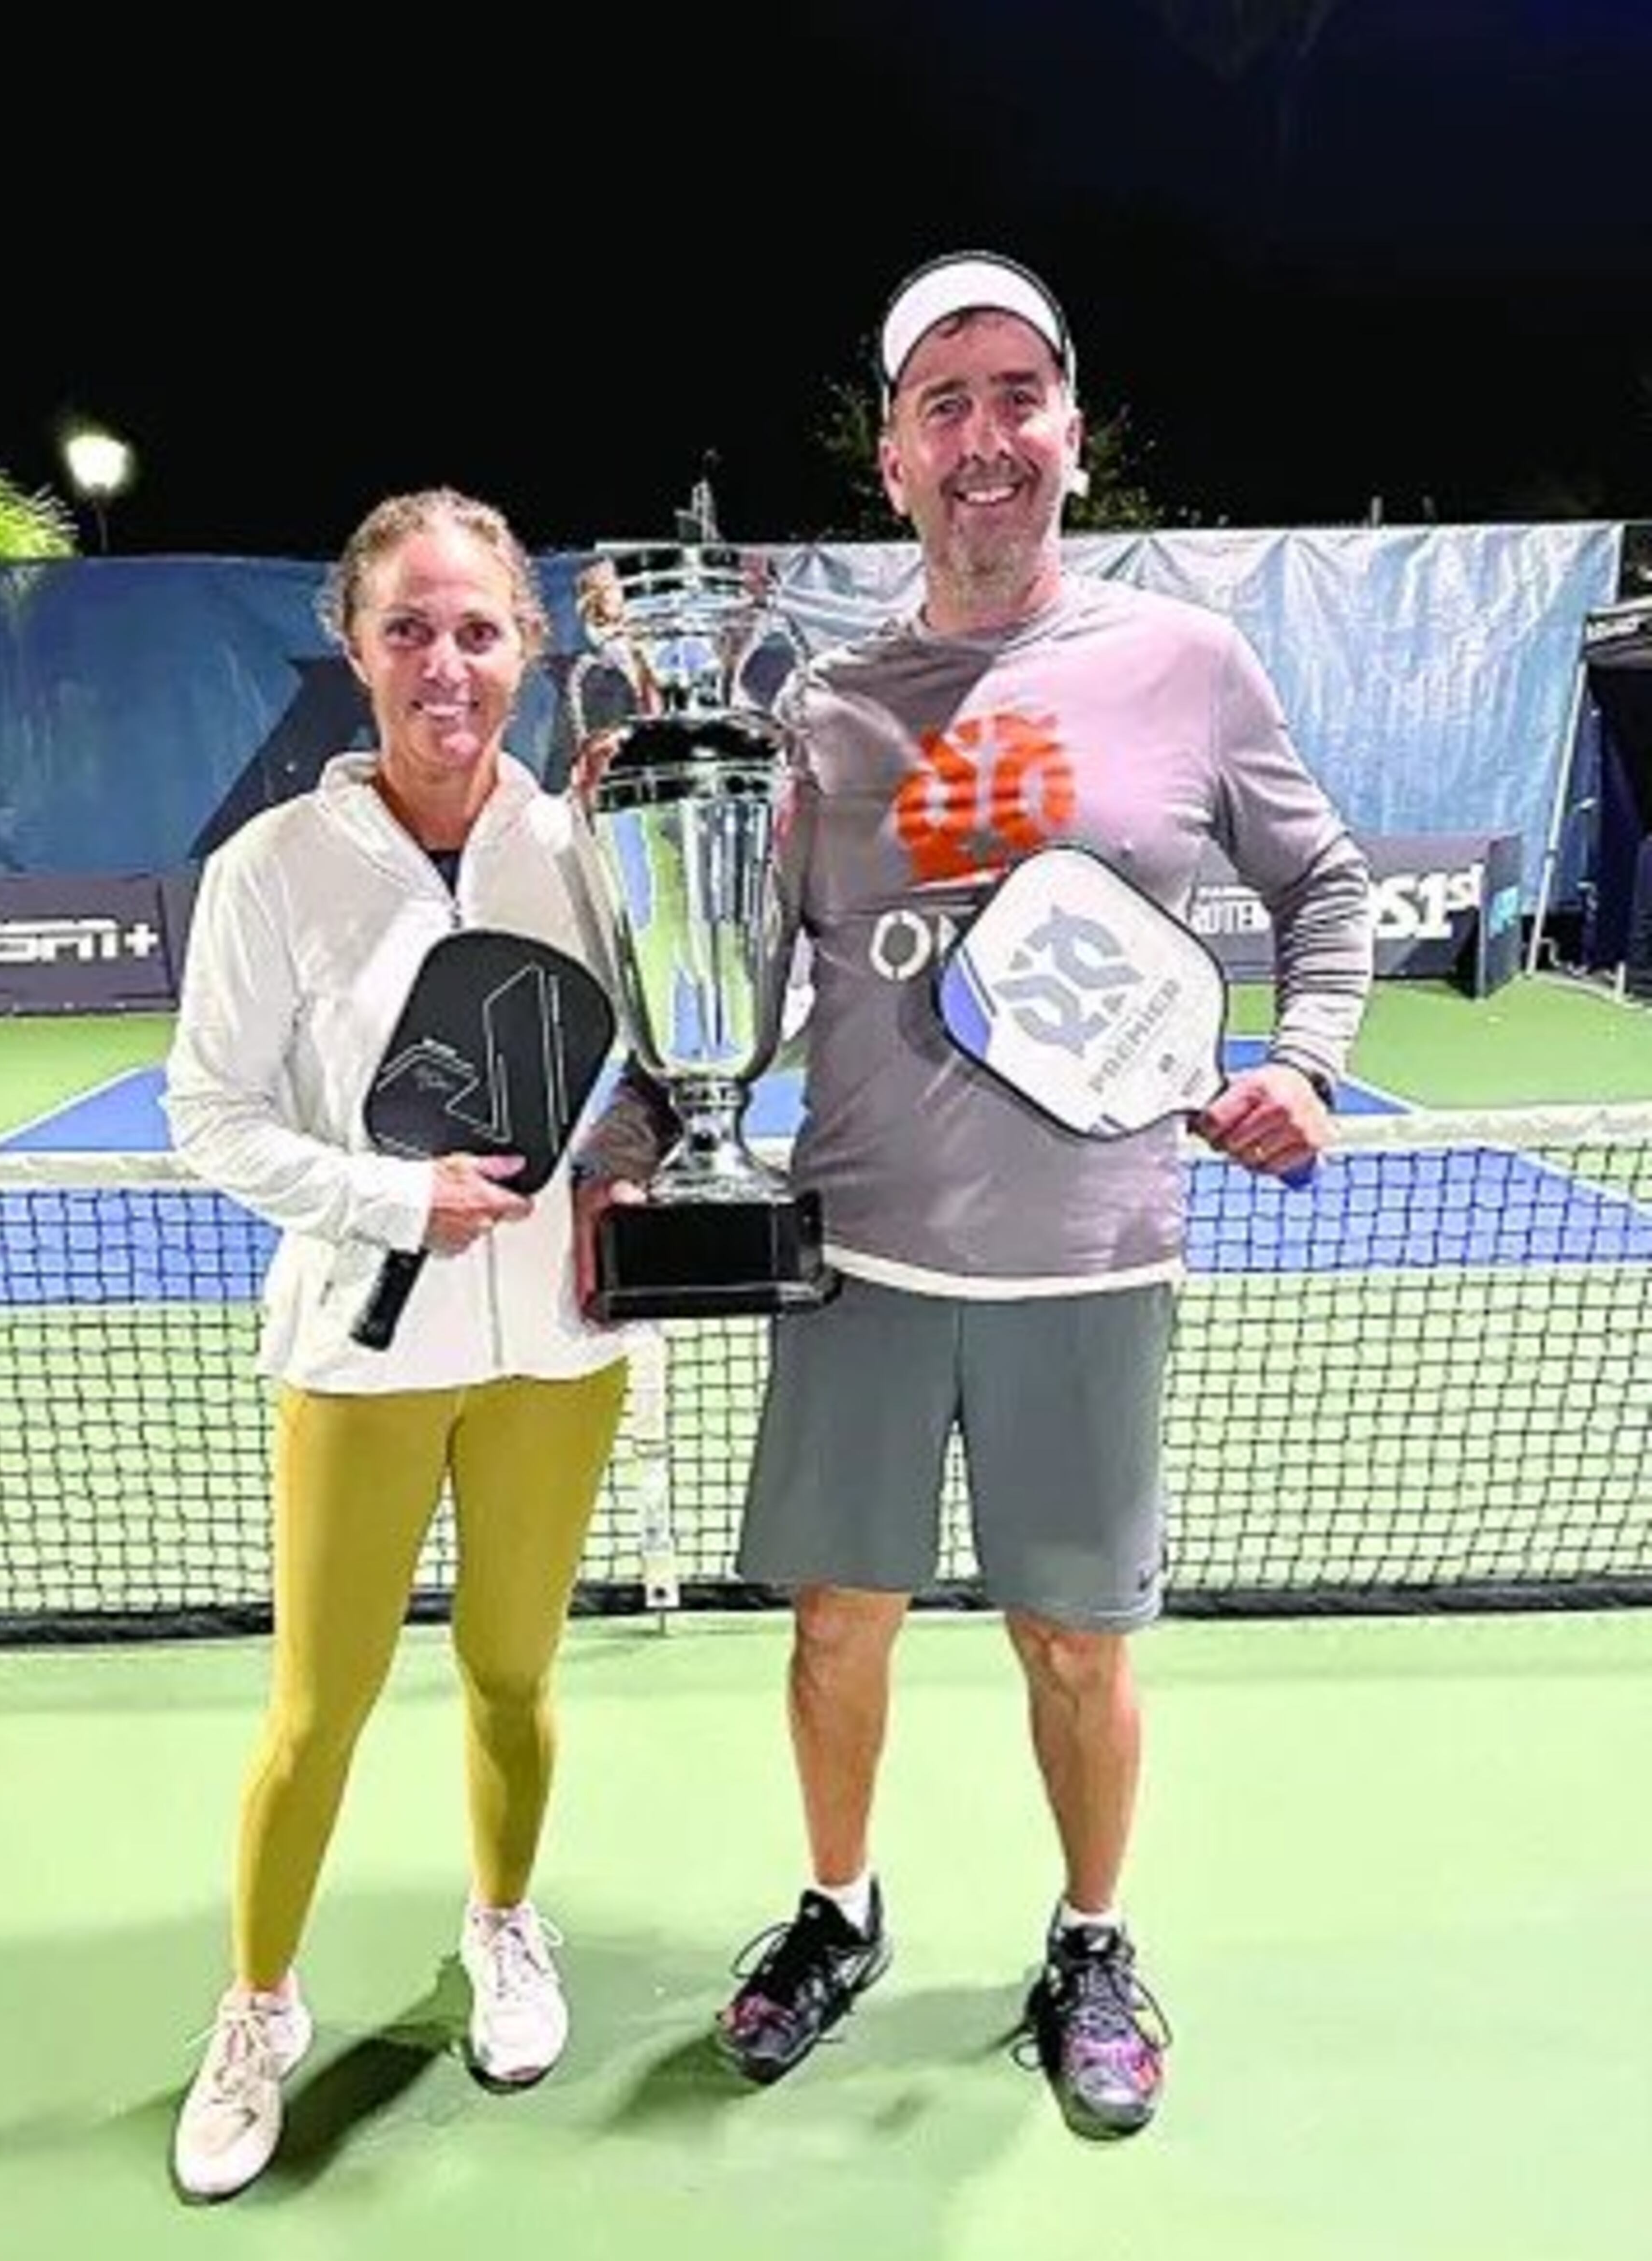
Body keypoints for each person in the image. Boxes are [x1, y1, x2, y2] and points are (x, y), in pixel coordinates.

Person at [573, 249, 1375, 2141]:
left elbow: (1325, 888)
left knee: (1074, 1640)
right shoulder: (823, 711)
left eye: (1019, 393)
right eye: (947, 403)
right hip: (857, 1250)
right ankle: (841, 1911)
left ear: (1072, 433)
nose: (986, 434)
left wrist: (1307, 1059)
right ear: (895, 454)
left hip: (1091, 1259)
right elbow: (733, 981)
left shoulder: (1188, 666)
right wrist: (623, 1151)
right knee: (835, 1623)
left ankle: (1093, 1937)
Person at [164, 486, 631, 2201]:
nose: (448, 663)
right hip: (357, 1364)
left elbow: (641, 1079)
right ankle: (260, 2008)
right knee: (321, 1710)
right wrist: (382, 1195)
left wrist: (636, 1159)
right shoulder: (270, 867)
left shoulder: (584, 849)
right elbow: (207, 1116)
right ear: (354, 648)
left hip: (556, 1352)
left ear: (530, 647)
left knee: (514, 1675)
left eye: (481, 628)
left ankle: (507, 1928)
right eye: (411, 629)